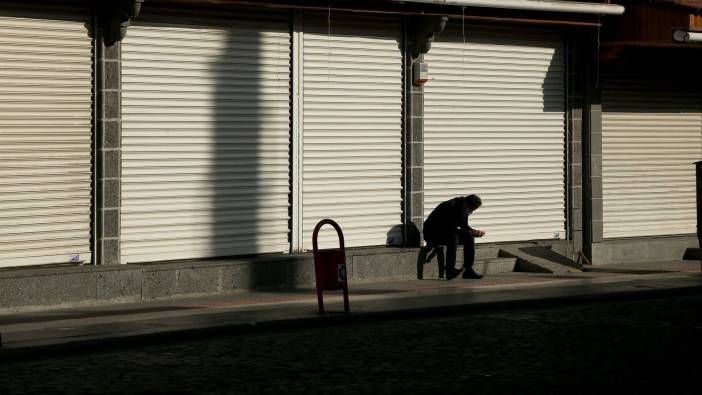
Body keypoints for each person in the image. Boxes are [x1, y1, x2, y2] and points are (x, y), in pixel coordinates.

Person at [423, 195, 485, 280]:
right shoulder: (449, 207)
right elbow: (449, 227)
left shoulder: (463, 207)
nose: (470, 212)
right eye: (470, 210)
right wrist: (469, 232)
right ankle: (450, 270)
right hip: (432, 233)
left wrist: (473, 231)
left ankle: (468, 270)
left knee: (469, 237)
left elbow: (464, 225)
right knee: (453, 237)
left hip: (446, 232)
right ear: (466, 203)